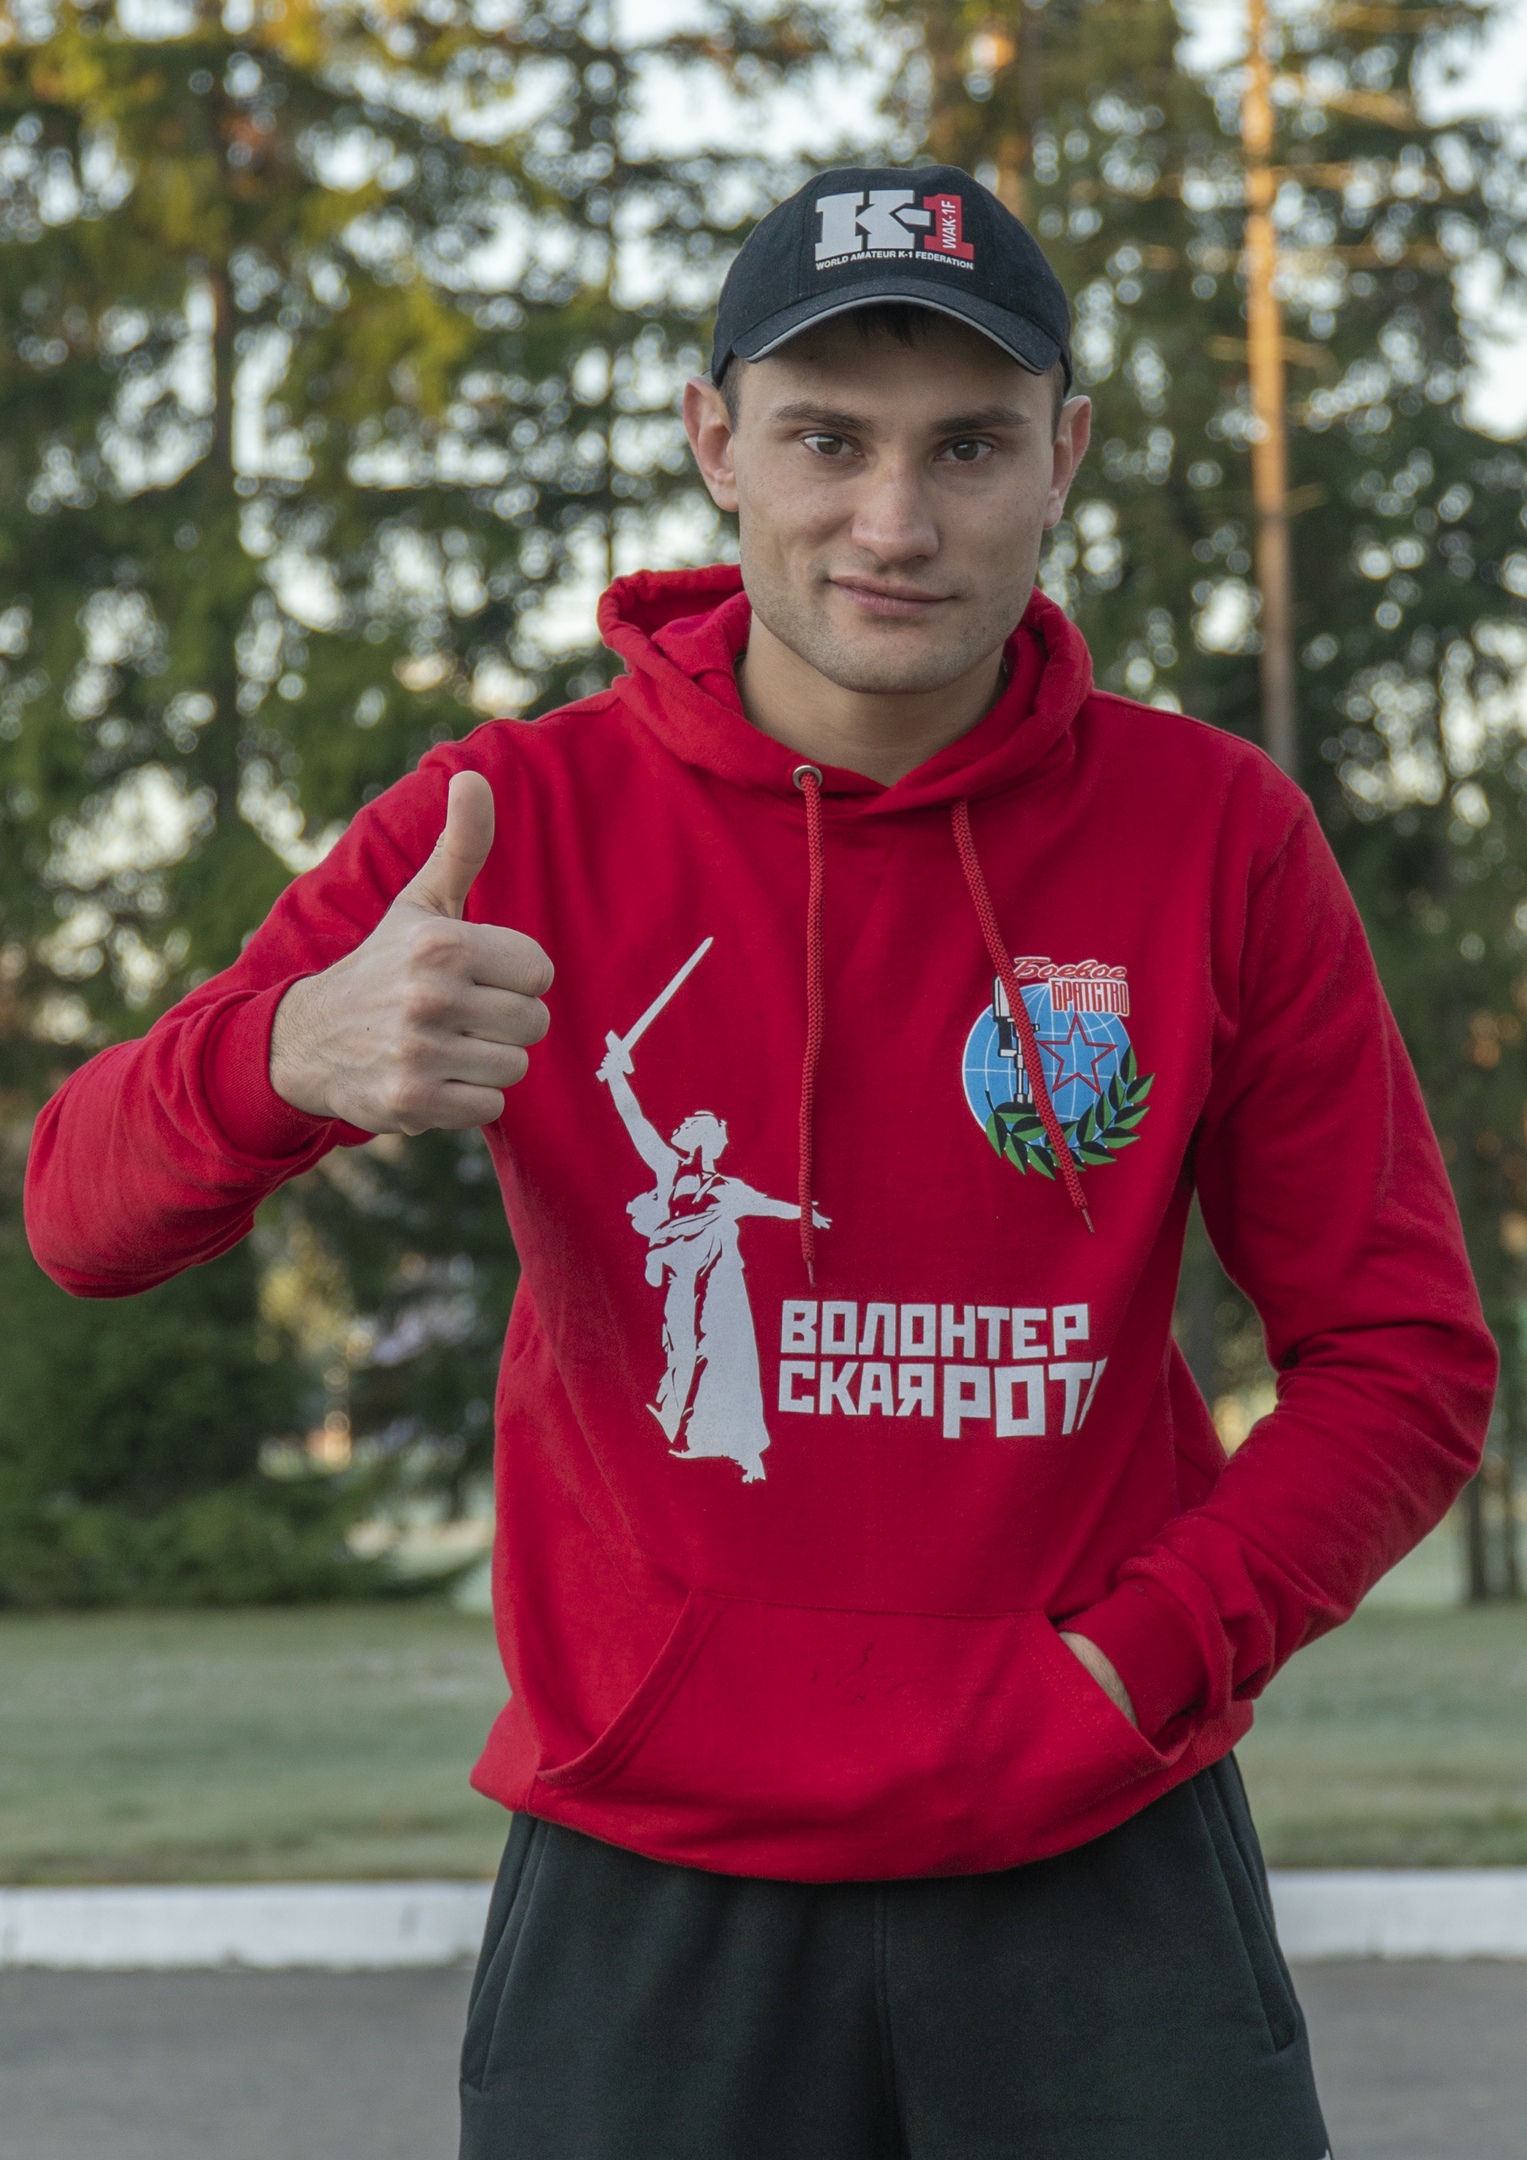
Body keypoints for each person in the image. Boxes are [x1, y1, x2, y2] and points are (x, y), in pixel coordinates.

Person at [25, 163, 1494, 2159]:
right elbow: (80, 1213)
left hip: (1102, 1858)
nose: (893, 523)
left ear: (1062, 455)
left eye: (965, 446)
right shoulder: (505, 821)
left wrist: (1141, 1659)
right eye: (826, 439)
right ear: (713, 441)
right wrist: (284, 1057)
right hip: (650, 1878)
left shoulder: (1213, 834)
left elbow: (1402, 1359)